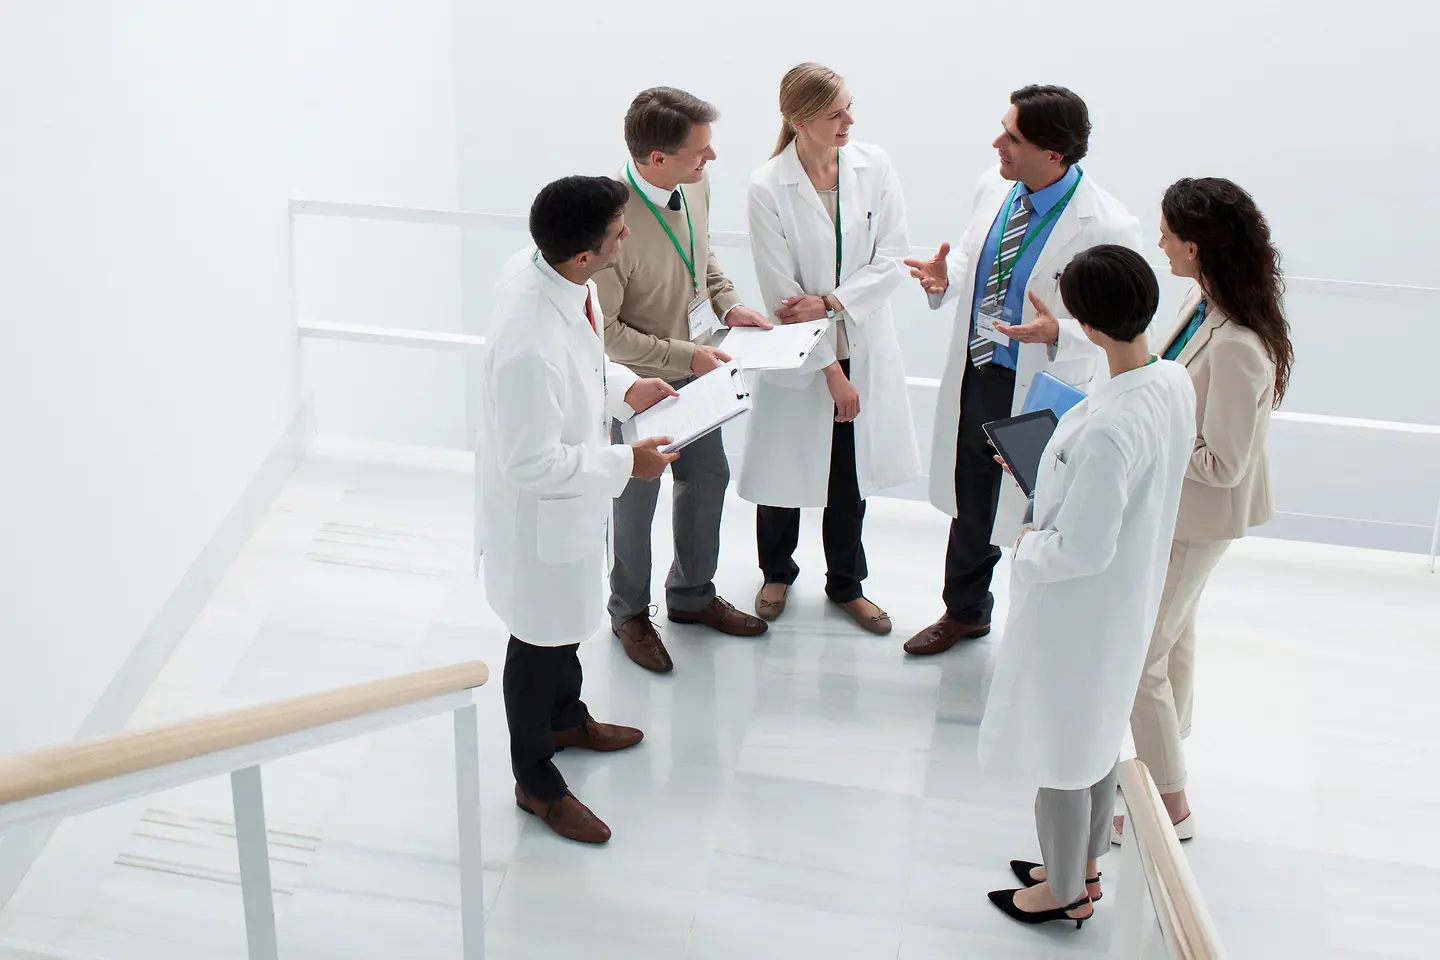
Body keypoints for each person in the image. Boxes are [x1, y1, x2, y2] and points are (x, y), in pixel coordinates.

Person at [977, 245, 1196, 927]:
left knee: (1063, 746)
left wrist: (1026, 542)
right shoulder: (1169, 381)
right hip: (1125, 599)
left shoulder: (1109, 431)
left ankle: (1064, 890)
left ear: (1088, 325)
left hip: (1082, 610)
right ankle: (1085, 863)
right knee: (1097, 734)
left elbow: (1082, 547)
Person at [902, 85, 1143, 657]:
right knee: (972, 500)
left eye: (1012, 137)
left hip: (1042, 391)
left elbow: (1120, 329)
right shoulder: (996, 186)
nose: (997, 143)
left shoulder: (1107, 225)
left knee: (1040, 514)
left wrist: (1057, 331)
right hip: (981, 373)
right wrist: (946, 276)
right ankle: (964, 612)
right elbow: (973, 257)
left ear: (1054, 155)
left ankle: (1041, 631)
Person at [477, 175, 682, 843]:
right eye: (620, 231)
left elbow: (586, 364)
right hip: (540, 516)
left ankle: (567, 720)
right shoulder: (528, 345)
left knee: (565, 626)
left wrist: (627, 388)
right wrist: (630, 463)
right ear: (585, 255)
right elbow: (529, 462)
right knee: (538, 640)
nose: (630, 234)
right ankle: (535, 781)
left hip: (571, 503)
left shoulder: (558, 276)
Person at [1113, 178, 1293, 845]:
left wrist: (1143, 439)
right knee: (1173, 642)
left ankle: (1172, 805)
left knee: (1142, 661)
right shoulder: (1201, 302)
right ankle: (1168, 754)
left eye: (1164, 234)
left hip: (1197, 517)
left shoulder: (1240, 346)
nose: (1157, 242)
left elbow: (1224, 464)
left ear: (1194, 245)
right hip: (1172, 510)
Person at [739, 63, 921, 633]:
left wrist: (835, 301)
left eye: (848, 105)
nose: (850, 119)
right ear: (799, 120)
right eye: (835, 111)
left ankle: (846, 584)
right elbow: (783, 296)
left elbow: (892, 258)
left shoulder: (875, 166)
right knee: (784, 471)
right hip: (803, 354)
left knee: (848, 474)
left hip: (862, 341)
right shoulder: (768, 186)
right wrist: (832, 371)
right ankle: (776, 572)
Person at [596, 87, 772, 674]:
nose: (712, 157)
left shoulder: (690, 184)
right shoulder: (610, 223)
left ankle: (692, 597)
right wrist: (683, 355)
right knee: (636, 502)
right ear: (655, 159)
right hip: (643, 388)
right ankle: (628, 613)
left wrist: (728, 305)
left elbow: (701, 256)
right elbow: (605, 334)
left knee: (708, 477)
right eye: (700, 150)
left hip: (698, 373)